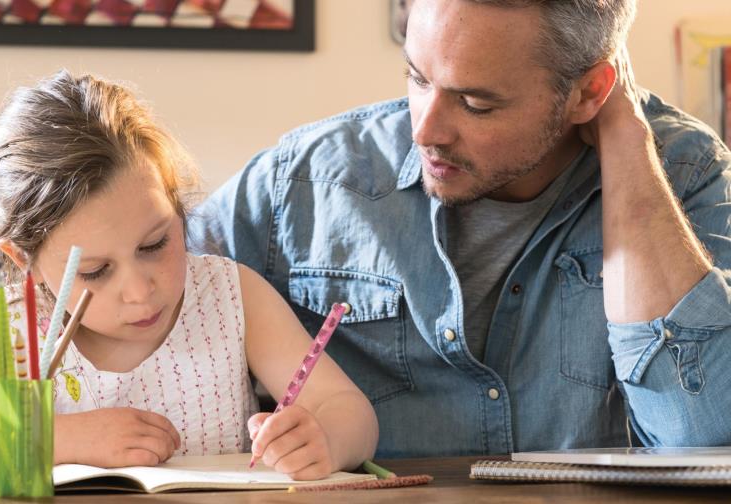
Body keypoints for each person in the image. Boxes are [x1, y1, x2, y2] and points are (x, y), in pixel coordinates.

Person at [187, 0, 731, 458]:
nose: (424, 130)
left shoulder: (687, 176)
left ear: (590, 92)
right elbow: (126, 308)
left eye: (475, 104)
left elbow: (702, 438)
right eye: (417, 78)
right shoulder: (302, 182)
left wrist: (625, 142)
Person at [0, 71, 378, 477]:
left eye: (156, 243)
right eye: (95, 270)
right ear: (23, 261)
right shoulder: (18, 325)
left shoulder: (232, 296)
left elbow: (348, 410)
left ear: (176, 206)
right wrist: (58, 440)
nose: (140, 289)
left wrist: (324, 438)